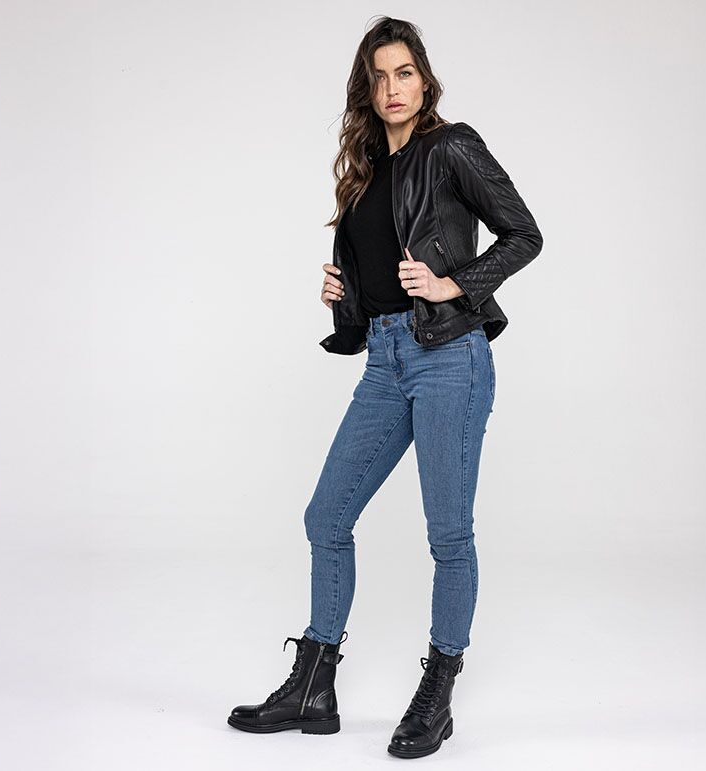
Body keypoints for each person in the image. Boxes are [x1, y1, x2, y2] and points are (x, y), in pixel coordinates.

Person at [227, 16, 543, 759]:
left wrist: (453, 282)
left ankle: (438, 690)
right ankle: (314, 686)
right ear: (365, 90)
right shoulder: (367, 171)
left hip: (450, 357)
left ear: (425, 80)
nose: (393, 88)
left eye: (405, 72)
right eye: (379, 76)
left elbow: (524, 233)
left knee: (448, 534)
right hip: (386, 360)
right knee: (326, 515)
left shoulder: (451, 148)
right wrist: (345, 293)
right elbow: (375, 286)